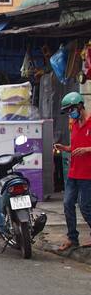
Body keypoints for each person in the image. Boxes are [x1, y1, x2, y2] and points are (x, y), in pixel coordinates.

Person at [55, 92, 91, 251]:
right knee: (68, 203)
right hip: (73, 172)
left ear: (80, 105)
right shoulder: (74, 124)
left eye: (71, 109)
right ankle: (72, 238)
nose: (70, 113)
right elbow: (75, 147)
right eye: (68, 111)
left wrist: (87, 150)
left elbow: (83, 149)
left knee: (85, 207)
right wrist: (65, 148)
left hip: (88, 174)